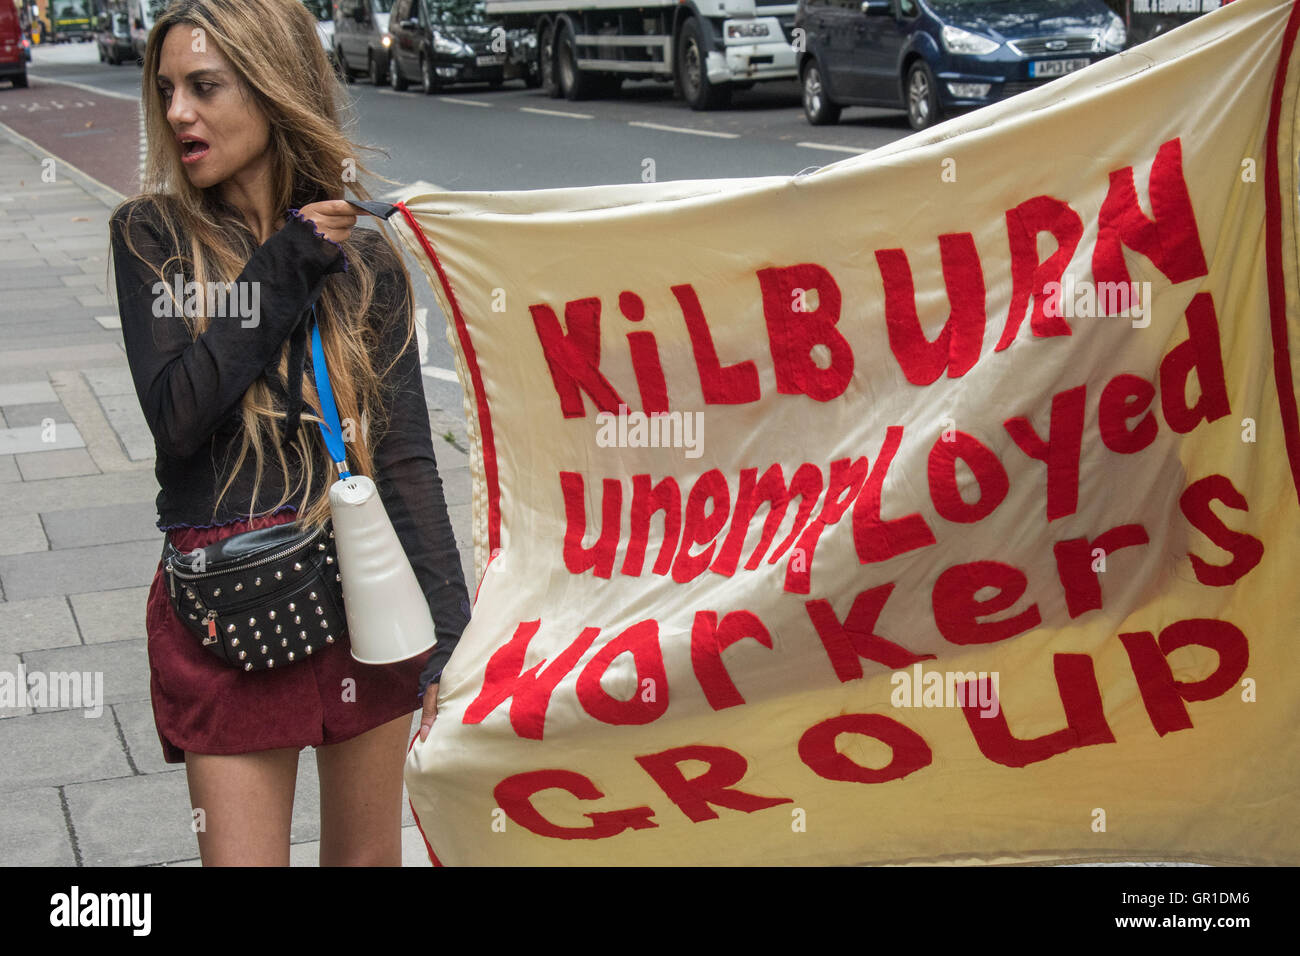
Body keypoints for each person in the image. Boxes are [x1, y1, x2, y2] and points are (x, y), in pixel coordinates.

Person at [108, 0, 471, 866]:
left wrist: (452, 641)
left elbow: (405, 456)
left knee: (366, 861)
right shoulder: (152, 237)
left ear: (272, 91)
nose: (177, 113)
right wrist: (287, 259)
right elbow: (179, 416)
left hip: (367, 602)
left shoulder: (369, 257)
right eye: (166, 90)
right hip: (227, 616)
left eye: (204, 87)